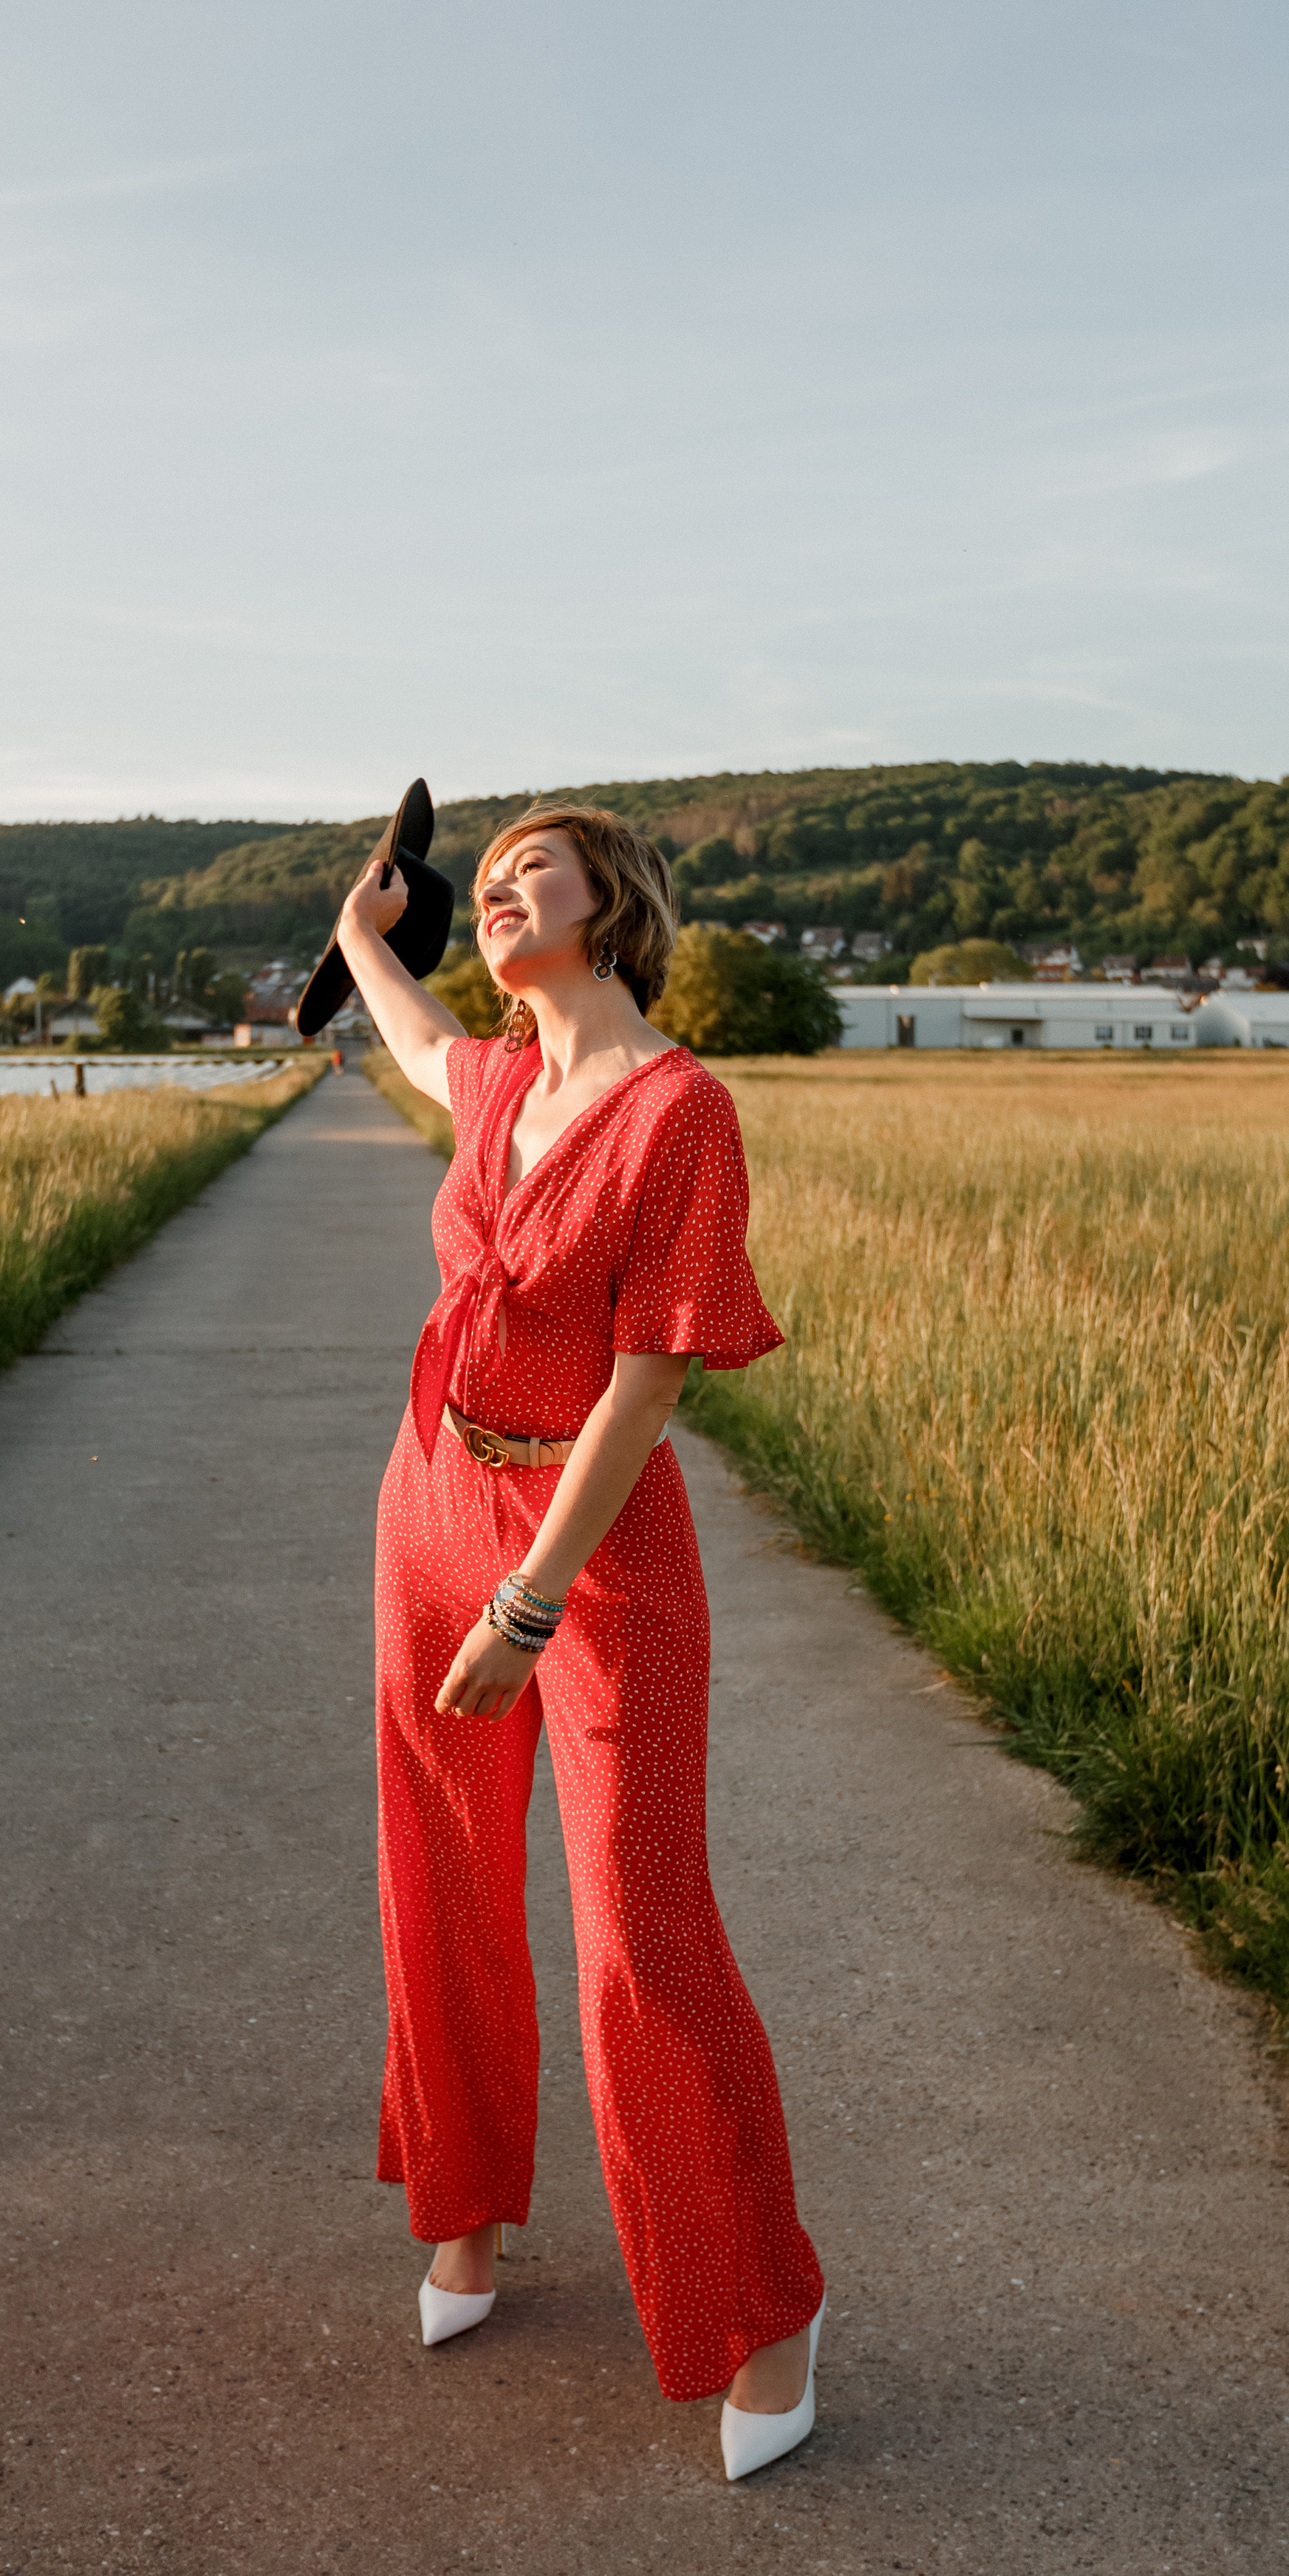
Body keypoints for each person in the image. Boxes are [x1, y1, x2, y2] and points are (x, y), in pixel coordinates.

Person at [334, 804, 824, 2481]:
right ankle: (463, 2211)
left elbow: (650, 1379)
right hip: (425, 1510)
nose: (495, 897)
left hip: (590, 1555)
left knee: (641, 1933)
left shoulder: (678, 1109)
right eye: (479, 886)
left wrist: (529, 1602)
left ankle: (761, 2306)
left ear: (611, 904)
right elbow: (408, 1032)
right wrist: (359, 934)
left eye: (527, 872)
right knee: (442, 1875)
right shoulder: (496, 1085)